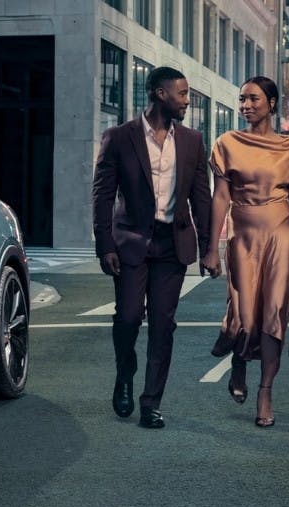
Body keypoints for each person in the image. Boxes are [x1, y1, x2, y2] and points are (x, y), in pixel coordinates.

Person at [92, 66, 214, 429]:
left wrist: (209, 247)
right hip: (130, 241)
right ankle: (124, 372)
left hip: (172, 244)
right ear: (161, 94)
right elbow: (102, 195)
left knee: (163, 325)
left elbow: (201, 197)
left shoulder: (192, 140)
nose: (187, 101)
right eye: (183, 94)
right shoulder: (119, 137)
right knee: (128, 317)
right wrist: (104, 244)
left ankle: (151, 402)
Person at [201, 76, 289, 428]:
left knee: (274, 315)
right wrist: (211, 248)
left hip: (283, 233)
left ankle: (265, 391)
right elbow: (220, 197)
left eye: (253, 99)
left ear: (271, 103)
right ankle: (239, 360)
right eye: (242, 100)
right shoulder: (227, 143)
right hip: (242, 234)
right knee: (244, 317)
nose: (245, 106)